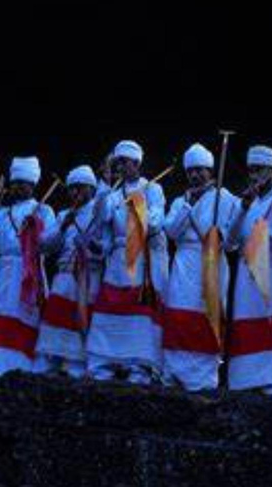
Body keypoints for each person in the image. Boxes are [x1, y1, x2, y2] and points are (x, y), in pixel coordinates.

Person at [86, 140, 168, 383]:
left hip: (142, 260)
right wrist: (105, 184)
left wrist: (138, 208)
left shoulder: (152, 188)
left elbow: (156, 222)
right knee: (111, 310)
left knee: (140, 316)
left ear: (136, 163)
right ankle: (105, 364)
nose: (121, 166)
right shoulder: (113, 193)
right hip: (117, 261)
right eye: (117, 162)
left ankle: (139, 367)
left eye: (124, 162)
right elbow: (101, 219)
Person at [162, 143, 238, 392]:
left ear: (210, 171)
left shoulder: (225, 199)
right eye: (191, 171)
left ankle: (204, 379)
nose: (195, 175)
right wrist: (188, 206)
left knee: (207, 319)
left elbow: (235, 239)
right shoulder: (179, 201)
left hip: (212, 264)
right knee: (179, 316)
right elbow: (171, 231)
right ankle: (173, 373)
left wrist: (220, 234)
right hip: (184, 264)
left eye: (200, 170)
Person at [0, 156, 56, 376]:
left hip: (28, 271)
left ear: (33, 185)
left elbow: (51, 244)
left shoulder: (43, 210)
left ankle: (17, 366)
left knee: (21, 317)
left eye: (24, 183)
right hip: (3, 272)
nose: (19, 187)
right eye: (16, 183)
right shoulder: (1, 213)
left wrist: (34, 230)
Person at [226, 145, 272, 395]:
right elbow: (230, 243)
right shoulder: (242, 200)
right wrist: (243, 208)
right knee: (247, 324)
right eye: (251, 170)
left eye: (259, 170)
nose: (254, 175)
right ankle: (244, 379)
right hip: (247, 275)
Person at [34, 165, 102, 378]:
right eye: (72, 188)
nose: (75, 192)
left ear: (91, 189)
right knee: (56, 318)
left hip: (88, 275)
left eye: (80, 188)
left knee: (81, 320)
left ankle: (76, 365)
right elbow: (44, 246)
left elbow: (104, 247)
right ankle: (50, 361)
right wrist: (63, 226)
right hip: (63, 276)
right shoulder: (64, 214)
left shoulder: (99, 212)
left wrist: (91, 246)